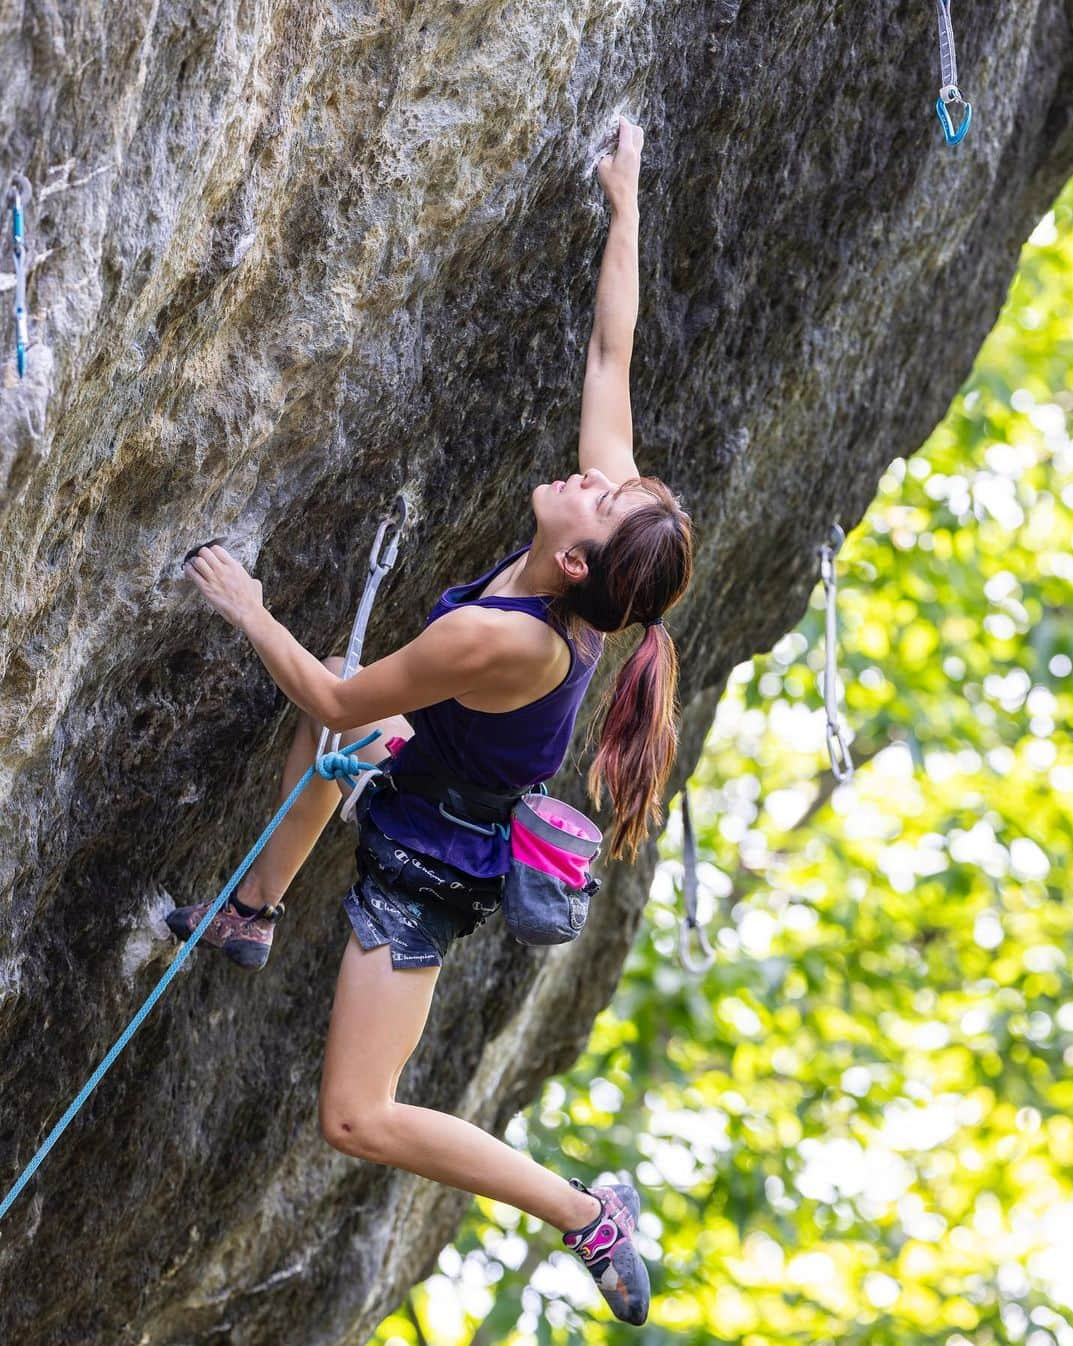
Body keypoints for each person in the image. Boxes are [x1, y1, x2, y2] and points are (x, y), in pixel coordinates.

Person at [171, 114, 692, 1327]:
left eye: (604, 492)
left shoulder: (506, 636)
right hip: (423, 773)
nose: (593, 466)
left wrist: (248, 605)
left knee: (354, 1114)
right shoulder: (580, 561)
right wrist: (627, 201)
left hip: (433, 863)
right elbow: (612, 359)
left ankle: (584, 1210)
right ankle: (251, 917)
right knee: (356, 721)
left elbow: (337, 700)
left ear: (574, 555)